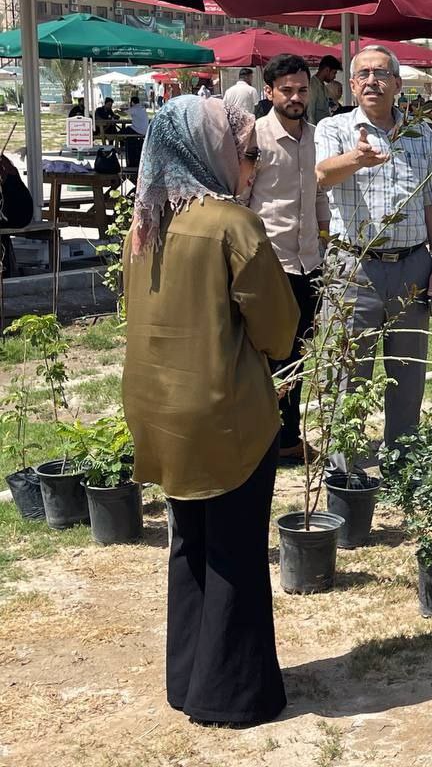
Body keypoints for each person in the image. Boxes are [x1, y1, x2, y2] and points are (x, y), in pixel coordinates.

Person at [122, 95, 299, 727]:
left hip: (157, 411)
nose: (245, 161)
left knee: (188, 543)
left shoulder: (144, 224)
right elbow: (280, 326)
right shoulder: (229, 224)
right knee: (235, 550)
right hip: (225, 412)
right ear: (209, 150)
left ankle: (188, 676)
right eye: (240, 148)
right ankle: (230, 692)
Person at [315, 46, 432, 463]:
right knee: (346, 376)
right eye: (363, 74)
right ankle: (344, 472)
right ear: (352, 85)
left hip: (412, 266)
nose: (372, 80)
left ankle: (403, 466)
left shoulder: (420, 134)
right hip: (353, 270)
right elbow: (322, 174)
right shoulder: (334, 128)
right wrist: (358, 158)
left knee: (408, 375)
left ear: (396, 83)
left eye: (380, 73)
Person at [248, 54, 329, 468]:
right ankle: (263, 439)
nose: (296, 98)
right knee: (268, 354)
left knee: (298, 352)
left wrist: (326, 243)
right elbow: (241, 200)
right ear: (269, 92)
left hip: (309, 264)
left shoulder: (319, 138)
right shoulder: (252, 138)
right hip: (270, 264)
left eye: (302, 90)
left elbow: (319, 198)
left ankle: (288, 438)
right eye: (287, 90)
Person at [309, 55, 341, 126]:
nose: (335, 77)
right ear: (327, 70)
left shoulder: (323, 87)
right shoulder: (312, 86)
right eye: (334, 73)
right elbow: (310, 113)